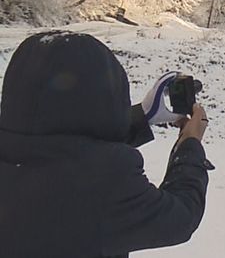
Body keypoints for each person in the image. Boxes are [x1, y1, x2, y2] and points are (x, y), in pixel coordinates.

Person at [0, 30, 211, 257]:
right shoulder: (106, 184)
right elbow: (180, 217)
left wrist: (142, 117)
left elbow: (57, 143)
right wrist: (190, 145)